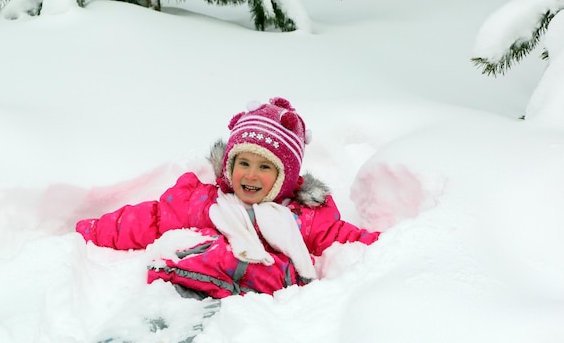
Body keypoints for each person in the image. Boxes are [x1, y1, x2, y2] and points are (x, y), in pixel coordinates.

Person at [76, 97, 380, 301]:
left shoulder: (305, 217)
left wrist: (393, 246)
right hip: (189, 283)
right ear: (229, 166)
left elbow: (347, 240)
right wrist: (92, 230)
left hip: (247, 299)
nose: (250, 175)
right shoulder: (204, 202)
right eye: (243, 164)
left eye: (264, 168)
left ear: (284, 177)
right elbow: (151, 219)